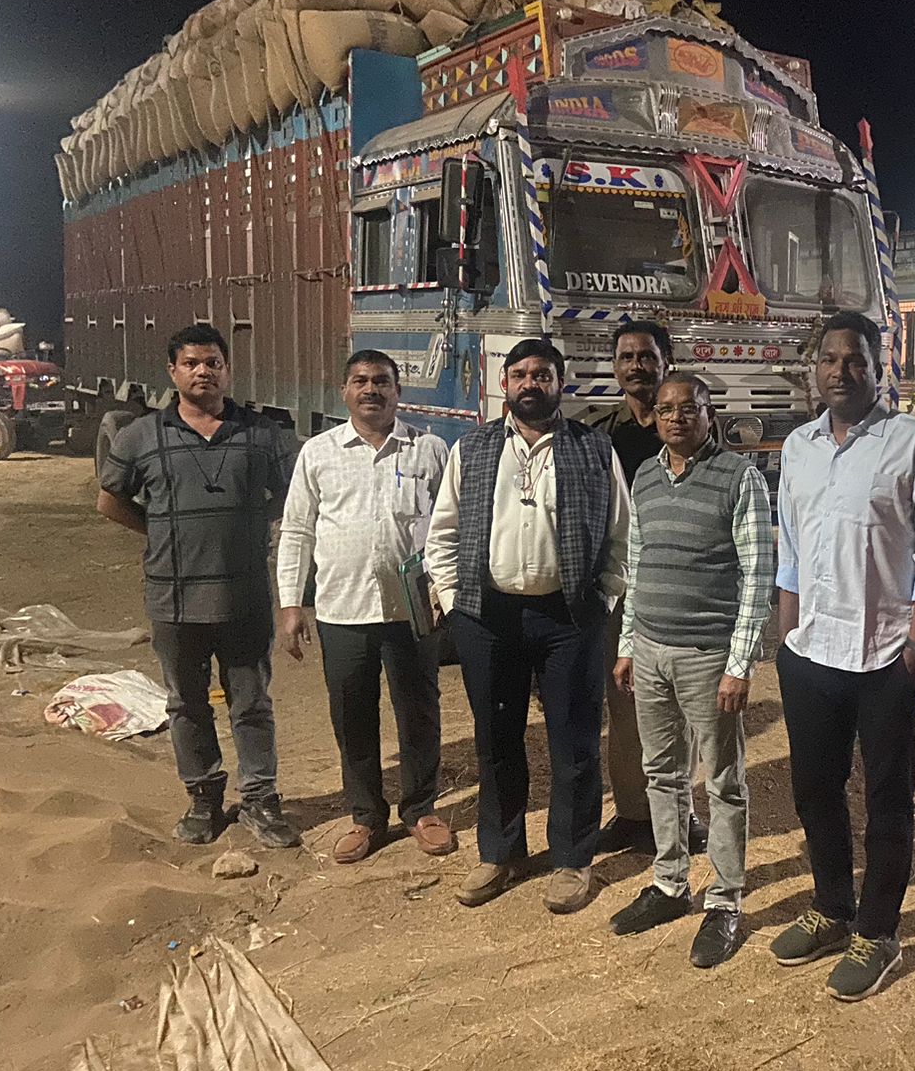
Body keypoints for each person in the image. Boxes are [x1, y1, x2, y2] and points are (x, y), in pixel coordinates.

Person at [769, 310, 915, 1001]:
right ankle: (831, 907)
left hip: (884, 656)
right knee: (814, 789)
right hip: (811, 652)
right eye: (829, 359)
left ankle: (877, 931)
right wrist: (787, 641)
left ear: (880, 368)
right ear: (814, 369)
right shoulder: (799, 447)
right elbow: (791, 548)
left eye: (855, 360)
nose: (841, 371)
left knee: (887, 798)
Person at [425, 338, 631, 915]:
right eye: (520, 374)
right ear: (505, 383)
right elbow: (442, 532)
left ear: (560, 383)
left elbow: (622, 533)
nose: (530, 384)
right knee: (496, 740)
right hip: (487, 618)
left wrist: (604, 599)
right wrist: (454, 601)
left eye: (542, 374)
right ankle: (500, 853)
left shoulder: (593, 448)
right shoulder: (473, 447)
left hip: (569, 618)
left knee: (574, 741)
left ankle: (571, 859)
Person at [96, 323, 300, 849]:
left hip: (244, 596)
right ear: (172, 371)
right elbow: (110, 500)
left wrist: (253, 524)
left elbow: (293, 495)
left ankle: (260, 800)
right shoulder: (141, 436)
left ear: (227, 370)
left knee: (251, 703)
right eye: (191, 363)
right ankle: (204, 798)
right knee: (186, 704)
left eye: (213, 363)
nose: (203, 372)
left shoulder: (261, 434)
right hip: (174, 599)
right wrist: (160, 530)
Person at [607, 373, 773, 968]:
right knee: (662, 772)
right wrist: (628, 643)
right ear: (653, 417)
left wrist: (739, 663)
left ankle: (725, 901)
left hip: (708, 657)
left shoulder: (739, 478)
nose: (677, 418)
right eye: (666, 409)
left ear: (710, 415)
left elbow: (757, 575)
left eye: (689, 408)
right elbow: (638, 562)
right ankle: (670, 882)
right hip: (651, 650)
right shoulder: (645, 477)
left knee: (723, 781)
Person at [276, 350, 456, 865]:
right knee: (352, 714)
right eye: (360, 381)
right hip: (342, 608)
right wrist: (291, 603)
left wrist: (449, 593)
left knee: (418, 710)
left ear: (399, 391)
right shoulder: (319, 452)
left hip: (413, 609)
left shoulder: (429, 449)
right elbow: (297, 530)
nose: (371, 390)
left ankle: (421, 808)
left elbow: (450, 526)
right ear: (345, 391)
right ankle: (365, 816)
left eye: (381, 381)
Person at [591, 319, 704, 857]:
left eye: (646, 356)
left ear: (666, 361)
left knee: (680, 707)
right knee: (624, 706)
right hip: (621, 584)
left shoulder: (690, 427)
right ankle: (634, 814)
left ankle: (681, 813)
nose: (636, 365)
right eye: (627, 356)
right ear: (615, 367)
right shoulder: (598, 435)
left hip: (679, 584)